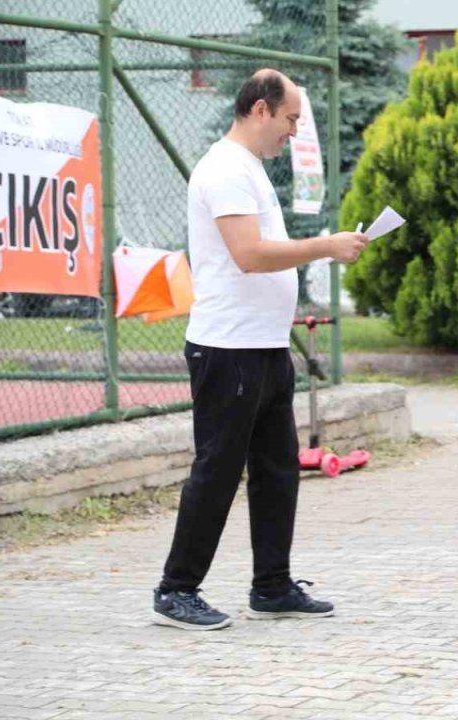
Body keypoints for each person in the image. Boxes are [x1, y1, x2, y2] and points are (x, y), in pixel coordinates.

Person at [151, 70, 369, 630]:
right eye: (291, 119)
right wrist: (326, 246)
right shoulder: (224, 169)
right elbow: (248, 254)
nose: (294, 132)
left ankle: (271, 585)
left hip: (267, 347)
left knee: (277, 470)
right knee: (218, 470)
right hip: (229, 348)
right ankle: (176, 590)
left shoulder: (248, 169)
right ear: (260, 110)